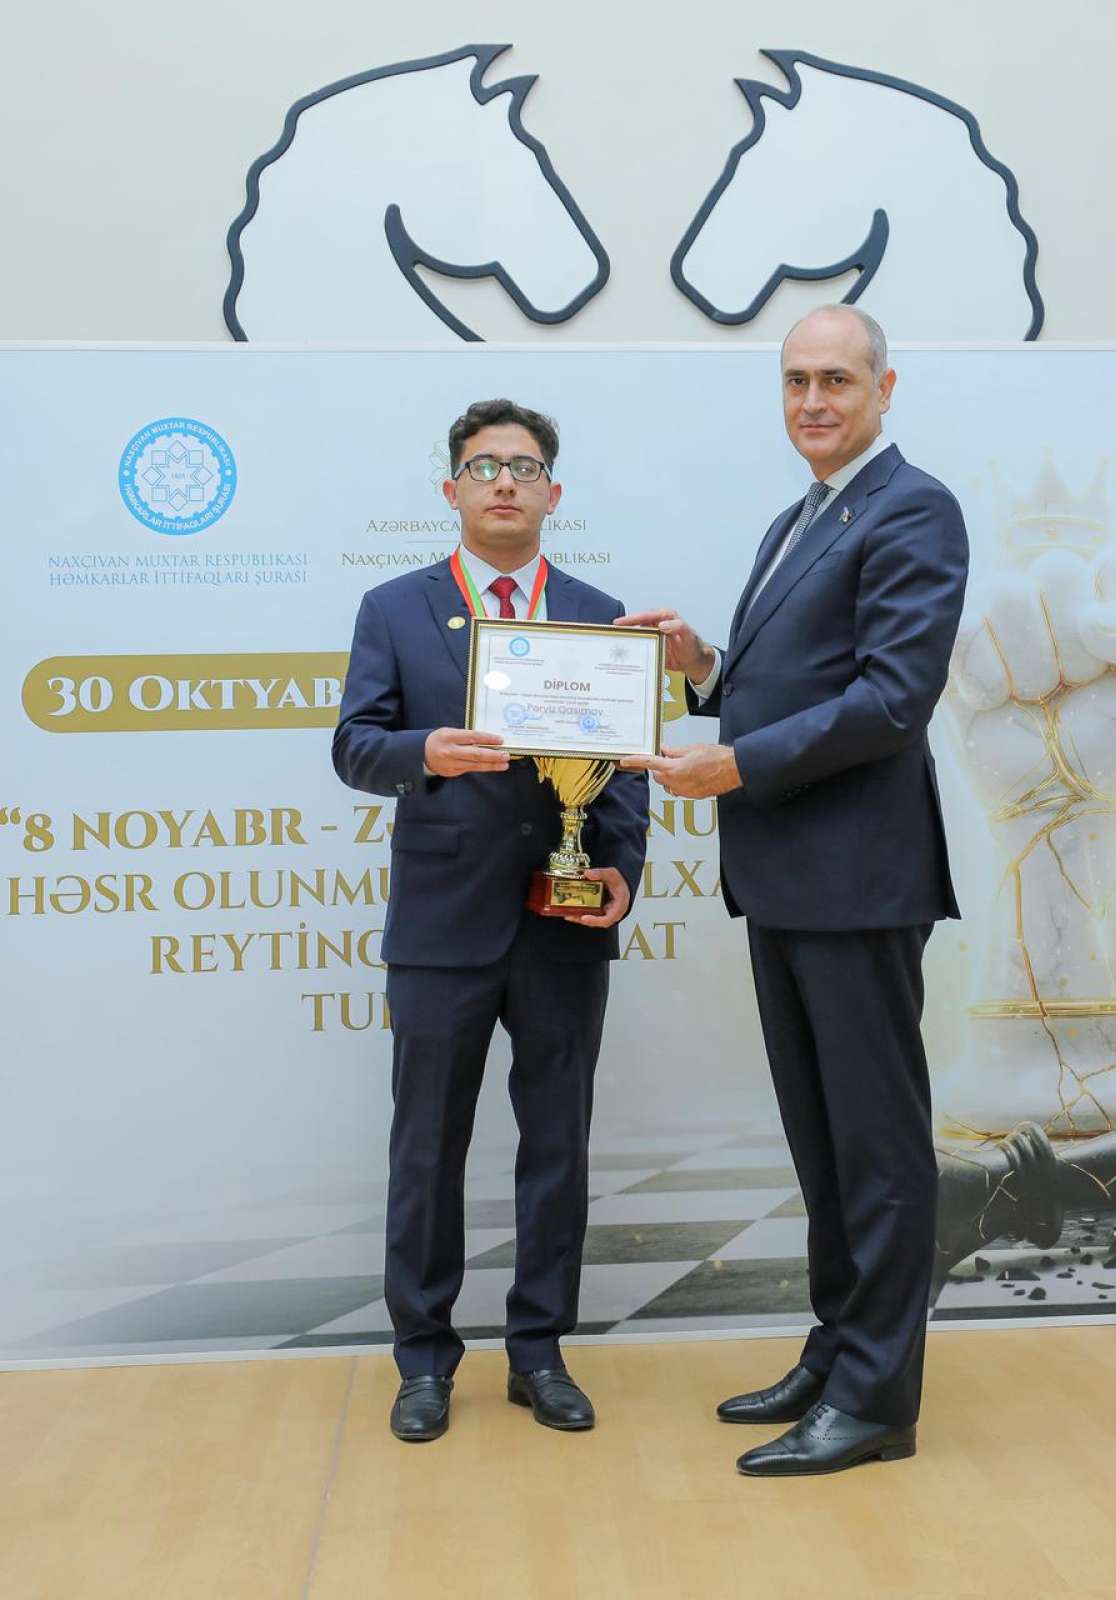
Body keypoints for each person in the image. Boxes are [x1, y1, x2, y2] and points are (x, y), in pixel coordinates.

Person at [618, 306, 968, 1477]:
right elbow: (799, 678)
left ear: (883, 388)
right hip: (785, 878)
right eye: (794, 382)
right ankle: (836, 1350)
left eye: (835, 379)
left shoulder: (912, 508)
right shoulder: (801, 515)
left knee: (876, 1148)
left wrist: (733, 763)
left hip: (858, 880)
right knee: (822, 1143)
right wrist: (703, 668)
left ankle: (875, 1401)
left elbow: (890, 699)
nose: (811, 401)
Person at [334, 398, 648, 1444]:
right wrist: (421, 752)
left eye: (522, 466)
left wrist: (620, 870)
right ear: (452, 490)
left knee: (557, 1144)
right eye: (482, 466)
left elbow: (625, 771)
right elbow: (353, 744)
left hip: (562, 922)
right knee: (426, 1149)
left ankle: (539, 1352)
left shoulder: (600, 614)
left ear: (553, 492)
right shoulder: (395, 608)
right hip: (441, 922)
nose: (503, 481)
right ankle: (423, 1360)